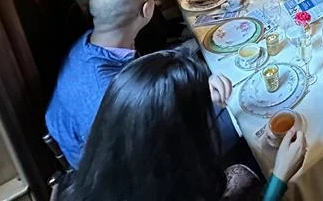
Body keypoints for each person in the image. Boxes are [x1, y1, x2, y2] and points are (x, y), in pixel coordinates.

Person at [55, 50, 306, 201]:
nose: (212, 117)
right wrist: (280, 176)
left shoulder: (117, 161)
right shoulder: (172, 185)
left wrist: (261, 149)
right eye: (204, 112)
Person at [45, 0, 238, 168]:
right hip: (131, 170)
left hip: (131, 136)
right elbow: (153, 151)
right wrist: (201, 101)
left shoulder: (93, 41)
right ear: (146, 9)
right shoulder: (107, 90)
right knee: (240, 108)